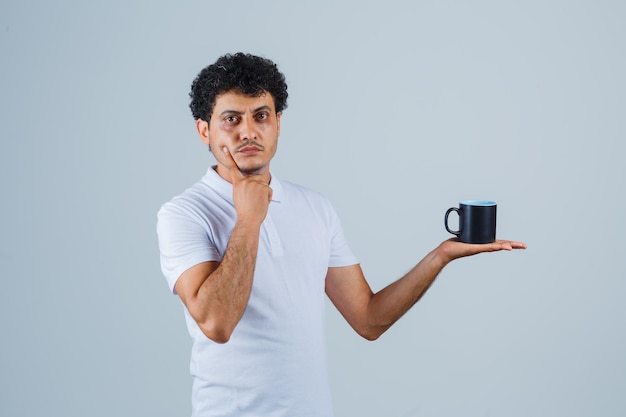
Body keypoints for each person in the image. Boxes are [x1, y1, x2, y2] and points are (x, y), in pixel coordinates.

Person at [156, 52, 526, 417]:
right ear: (205, 130)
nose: (248, 131)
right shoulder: (185, 214)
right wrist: (250, 220)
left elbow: (368, 319)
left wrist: (440, 255)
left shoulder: (315, 208)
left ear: (278, 124)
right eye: (231, 119)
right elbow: (216, 324)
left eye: (261, 116)